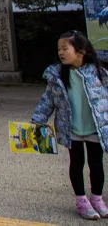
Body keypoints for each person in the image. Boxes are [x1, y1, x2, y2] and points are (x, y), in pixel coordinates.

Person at [32, 31, 108, 220]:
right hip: (71, 129)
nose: (61, 52)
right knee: (77, 163)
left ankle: (97, 199)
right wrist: (37, 122)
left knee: (96, 164)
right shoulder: (57, 76)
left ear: (81, 51)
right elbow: (47, 101)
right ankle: (81, 201)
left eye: (65, 48)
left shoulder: (98, 72)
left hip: (94, 128)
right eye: (59, 49)